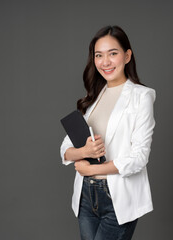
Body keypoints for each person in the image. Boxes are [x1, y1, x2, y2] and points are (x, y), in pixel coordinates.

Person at [60, 25, 156, 240]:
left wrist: (92, 170)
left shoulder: (142, 97)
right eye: (99, 55)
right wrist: (83, 151)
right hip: (86, 195)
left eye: (113, 53)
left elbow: (139, 158)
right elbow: (66, 148)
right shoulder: (93, 97)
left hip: (117, 197)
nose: (105, 62)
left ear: (127, 55)